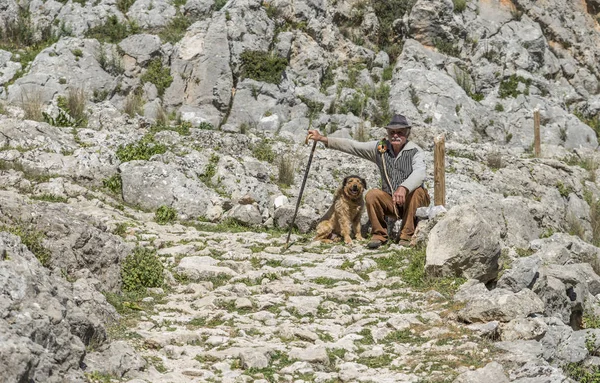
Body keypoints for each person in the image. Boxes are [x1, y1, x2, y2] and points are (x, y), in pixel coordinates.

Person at [308, 114, 430, 249]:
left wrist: (404, 187)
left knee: (418, 191)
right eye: (392, 132)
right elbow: (354, 146)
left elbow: (420, 173)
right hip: (392, 202)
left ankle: (406, 235)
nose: (395, 135)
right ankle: (379, 235)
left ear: (407, 133)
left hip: (413, 202)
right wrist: (322, 139)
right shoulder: (380, 148)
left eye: (400, 132)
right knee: (372, 194)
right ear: (388, 133)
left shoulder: (415, 151)